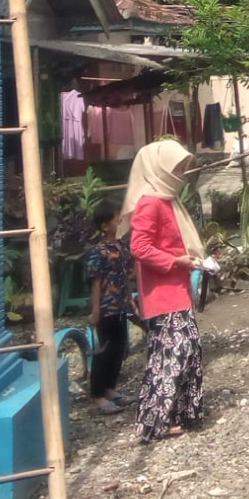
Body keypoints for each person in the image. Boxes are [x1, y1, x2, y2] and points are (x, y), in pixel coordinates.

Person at [120, 138, 206, 442]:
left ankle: (180, 412)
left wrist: (188, 261)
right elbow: (139, 247)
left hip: (175, 286)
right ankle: (153, 421)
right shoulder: (150, 202)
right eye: (176, 167)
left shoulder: (168, 199)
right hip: (161, 291)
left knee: (188, 349)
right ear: (159, 169)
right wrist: (175, 261)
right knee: (172, 353)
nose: (181, 174)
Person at [83, 201, 136, 415]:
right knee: (104, 351)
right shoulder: (99, 252)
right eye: (116, 220)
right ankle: (97, 395)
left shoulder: (121, 247)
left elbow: (126, 275)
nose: (120, 222)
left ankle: (110, 389)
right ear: (105, 225)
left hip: (121, 306)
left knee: (119, 348)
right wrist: (96, 310)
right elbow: (96, 282)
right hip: (106, 309)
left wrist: (130, 299)